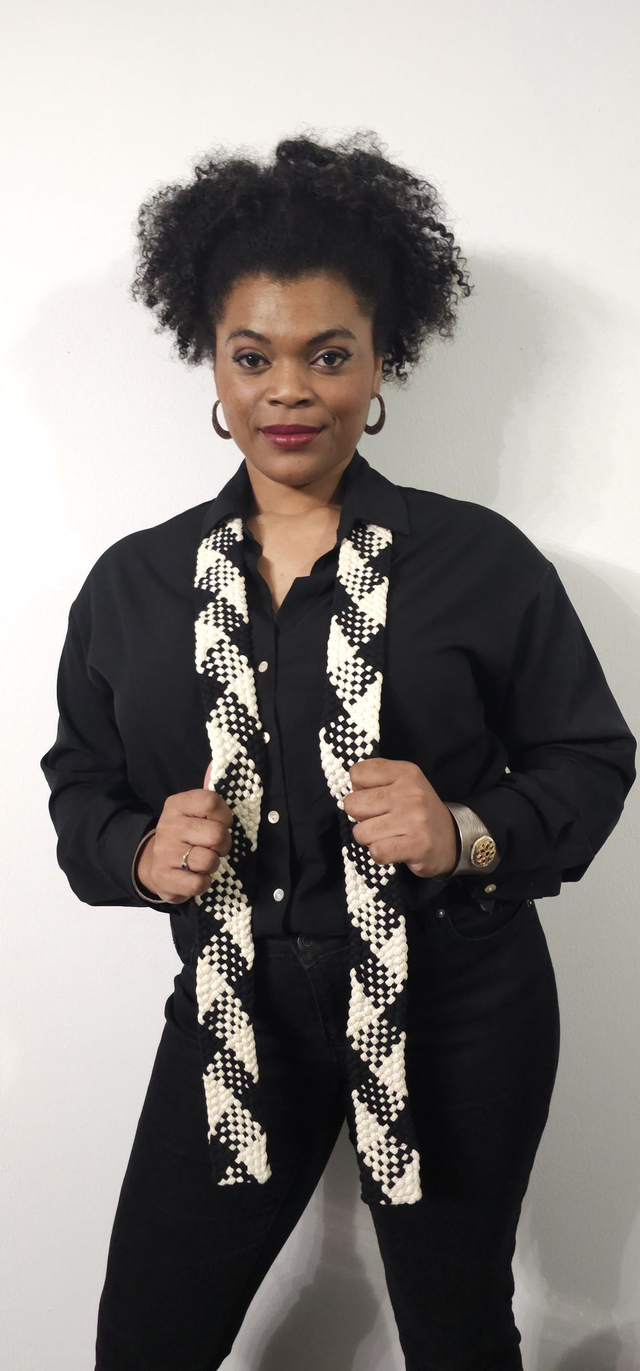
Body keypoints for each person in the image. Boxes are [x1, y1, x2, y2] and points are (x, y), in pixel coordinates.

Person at [40, 130, 636, 1371]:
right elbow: (79, 785)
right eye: (252, 355)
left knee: (455, 1329)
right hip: (234, 999)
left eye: (328, 354)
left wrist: (464, 830)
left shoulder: (479, 562)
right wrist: (139, 852)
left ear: (378, 363)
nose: (289, 391)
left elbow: (589, 755)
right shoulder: (134, 585)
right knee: (146, 1338)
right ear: (212, 361)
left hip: (457, 1000)